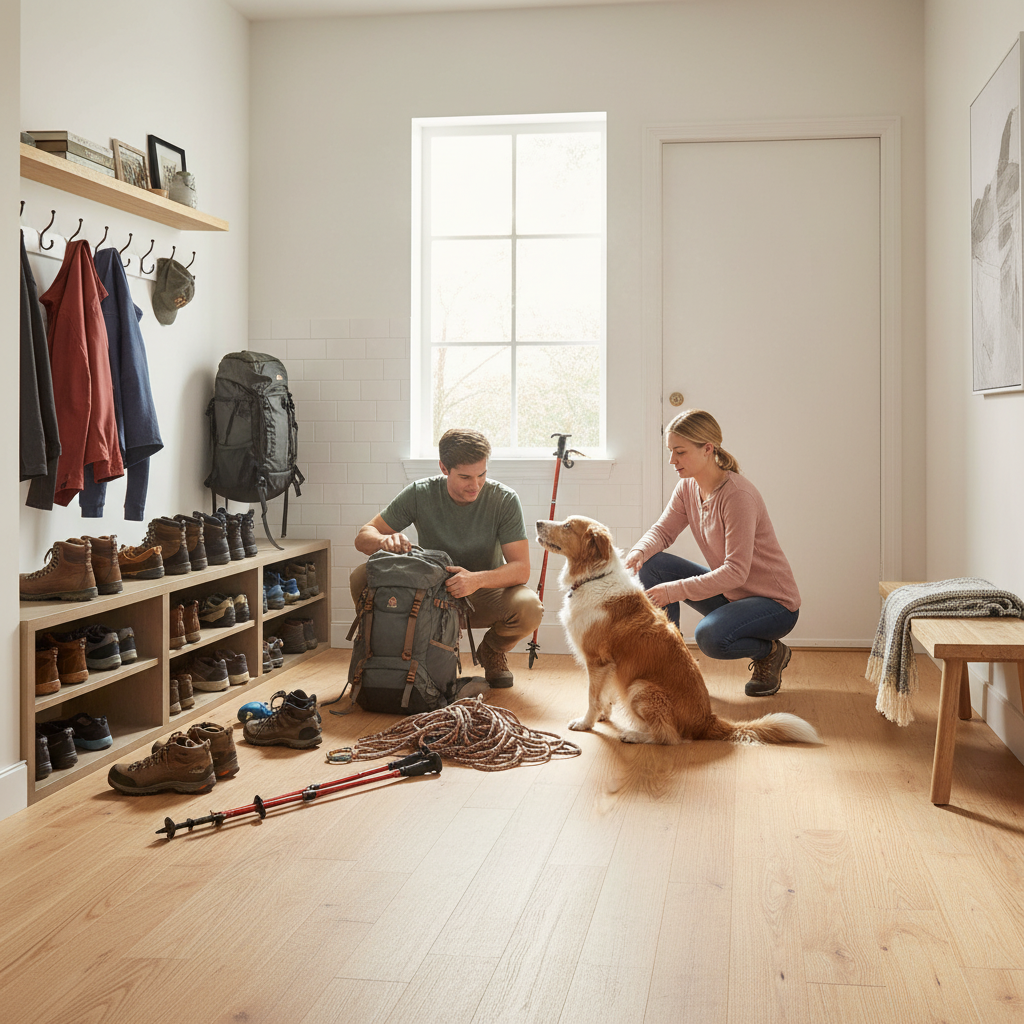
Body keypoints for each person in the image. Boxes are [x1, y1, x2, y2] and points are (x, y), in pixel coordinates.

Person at [624, 409, 800, 697]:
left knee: (710, 637)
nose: (672, 460)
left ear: (708, 449)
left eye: (679, 452)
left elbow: (736, 572)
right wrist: (639, 551)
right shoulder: (687, 488)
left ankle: (770, 652)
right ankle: (671, 666)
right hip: (733, 595)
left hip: (774, 605)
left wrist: (675, 591)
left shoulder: (737, 497)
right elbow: (663, 532)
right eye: (670, 451)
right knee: (652, 565)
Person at [351, 427, 543, 688]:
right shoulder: (420, 493)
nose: (475, 485)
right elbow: (363, 536)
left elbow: (521, 569)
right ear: (444, 467)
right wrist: (384, 541)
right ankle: (393, 652)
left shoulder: (504, 499)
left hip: (481, 590)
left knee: (529, 607)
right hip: (427, 595)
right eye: (465, 477)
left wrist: (475, 580)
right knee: (361, 576)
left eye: (482, 474)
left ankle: (493, 651)